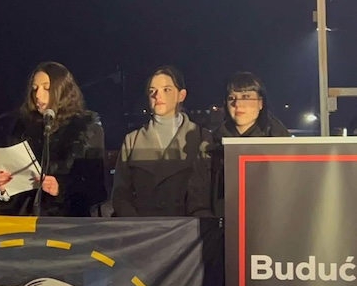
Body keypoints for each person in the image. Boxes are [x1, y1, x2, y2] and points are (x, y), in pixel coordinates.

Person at [0, 61, 106, 217]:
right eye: (34, 89)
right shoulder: (23, 127)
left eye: (46, 88)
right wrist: (3, 188)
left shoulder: (86, 128)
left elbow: (96, 188)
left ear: (62, 90)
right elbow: (16, 189)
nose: (38, 95)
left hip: (67, 223)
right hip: (26, 222)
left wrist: (60, 189)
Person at [187, 71, 290, 217]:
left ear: (260, 102)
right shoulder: (211, 145)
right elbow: (197, 195)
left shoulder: (280, 142)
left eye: (246, 97)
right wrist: (207, 219)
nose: (237, 104)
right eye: (232, 98)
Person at [111, 65, 210, 217]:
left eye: (166, 90)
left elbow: (204, 196)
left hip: (185, 227)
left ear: (181, 95)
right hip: (144, 227)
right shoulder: (132, 141)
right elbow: (120, 194)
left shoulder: (200, 138)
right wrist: (136, 223)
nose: (157, 95)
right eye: (152, 91)